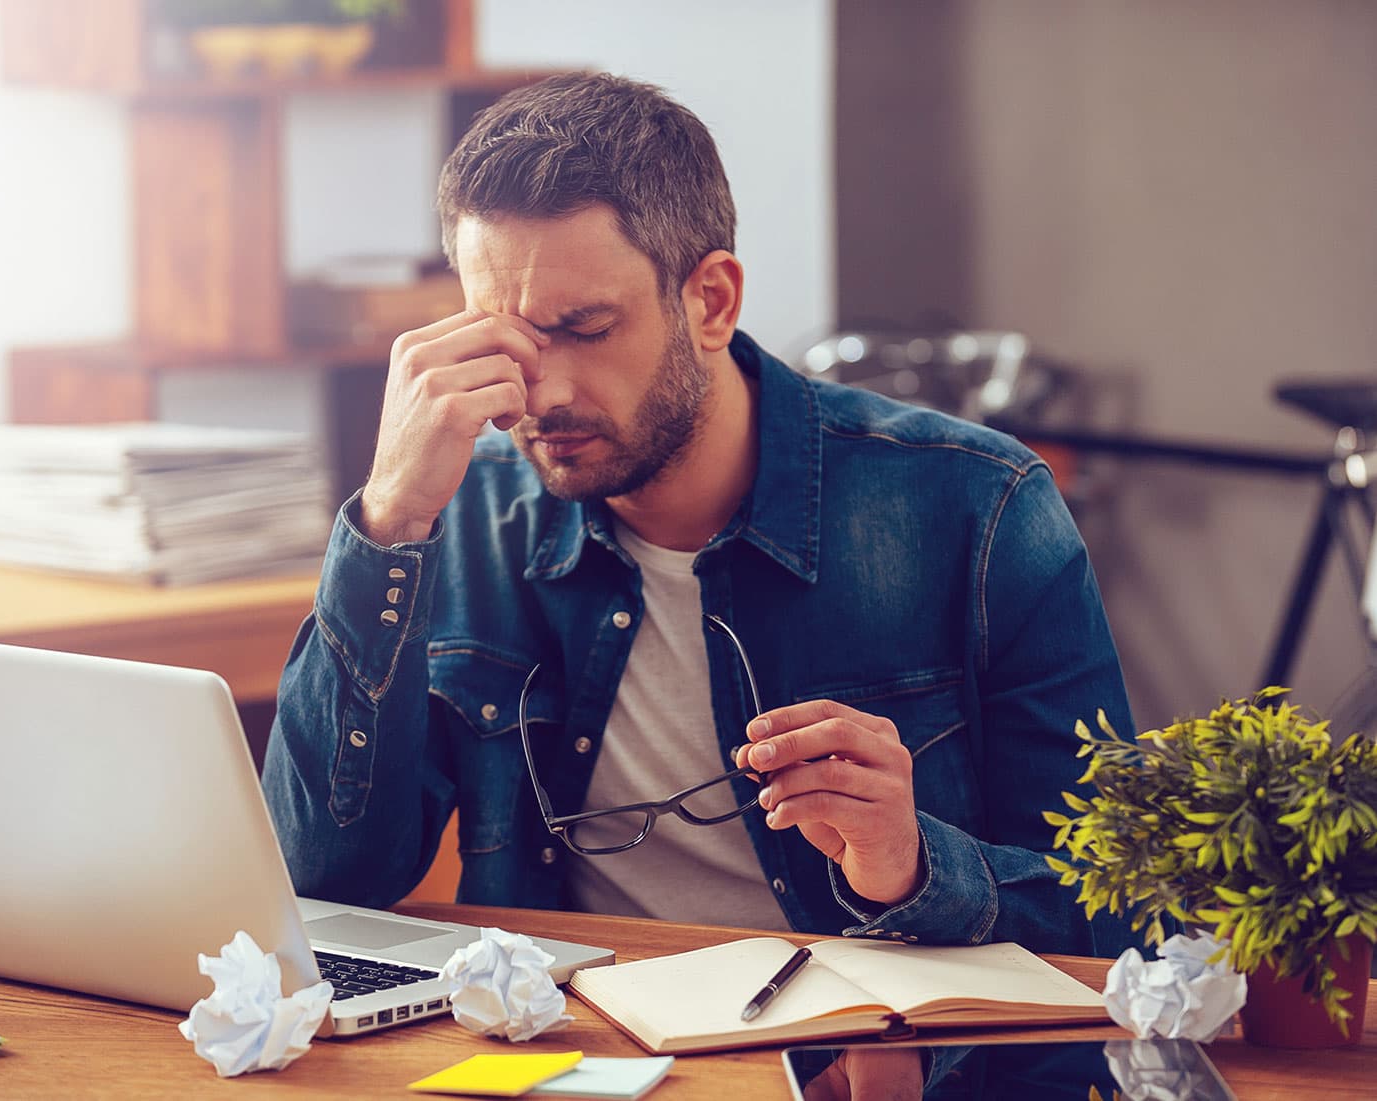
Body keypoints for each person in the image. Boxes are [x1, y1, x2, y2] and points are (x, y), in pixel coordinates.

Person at [262, 71, 1136, 956]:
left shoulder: (979, 507)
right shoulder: (466, 506)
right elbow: (325, 882)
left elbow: (1122, 919)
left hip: (870, 1064)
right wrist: (389, 521)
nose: (543, 391)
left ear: (711, 301)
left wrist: (913, 866)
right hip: (573, 1050)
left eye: (587, 327)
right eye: (509, 335)